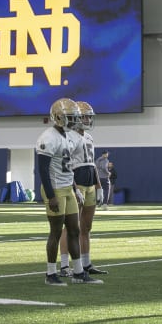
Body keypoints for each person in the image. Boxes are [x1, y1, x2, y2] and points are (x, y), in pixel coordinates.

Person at [37, 98, 102, 286]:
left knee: (75, 230)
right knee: (56, 232)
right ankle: (51, 273)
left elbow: (70, 166)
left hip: (68, 187)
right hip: (55, 189)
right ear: (59, 117)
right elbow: (43, 170)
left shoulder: (71, 136)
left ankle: (79, 272)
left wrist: (75, 188)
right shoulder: (48, 138)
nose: (74, 120)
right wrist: (50, 196)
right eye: (71, 117)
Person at [58, 101, 107, 278]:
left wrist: (99, 185)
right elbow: (67, 165)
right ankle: (64, 265)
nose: (87, 119)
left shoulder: (88, 137)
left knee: (86, 226)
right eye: (84, 116)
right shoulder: (68, 136)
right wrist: (73, 187)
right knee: (70, 226)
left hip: (90, 183)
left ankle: (86, 263)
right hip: (76, 181)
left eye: (88, 116)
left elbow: (92, 163)